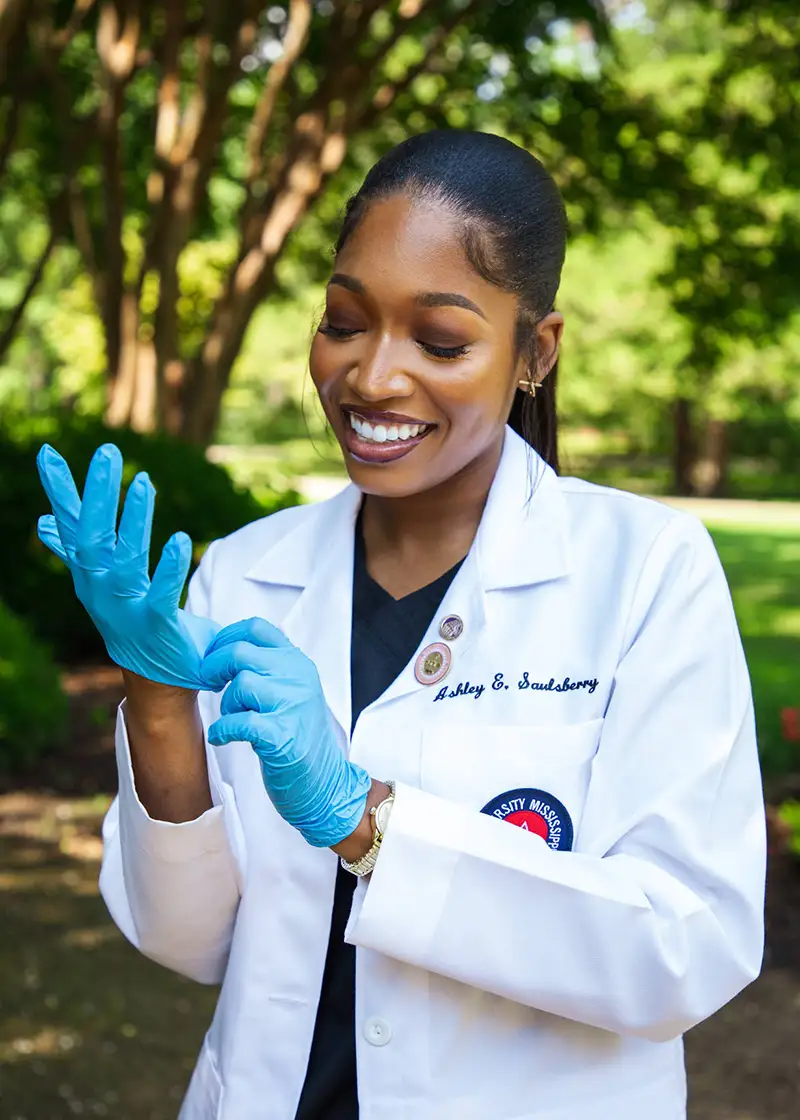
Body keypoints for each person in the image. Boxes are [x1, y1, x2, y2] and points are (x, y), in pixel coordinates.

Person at [36, 130, 766, 1120]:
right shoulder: (244, 572)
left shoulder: (642, 572)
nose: (372, 377)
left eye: (440, 341)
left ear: (535, 351)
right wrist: (158, 697)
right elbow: (187, 941)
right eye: (344, 322)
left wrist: (366, 821)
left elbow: (683, 948)